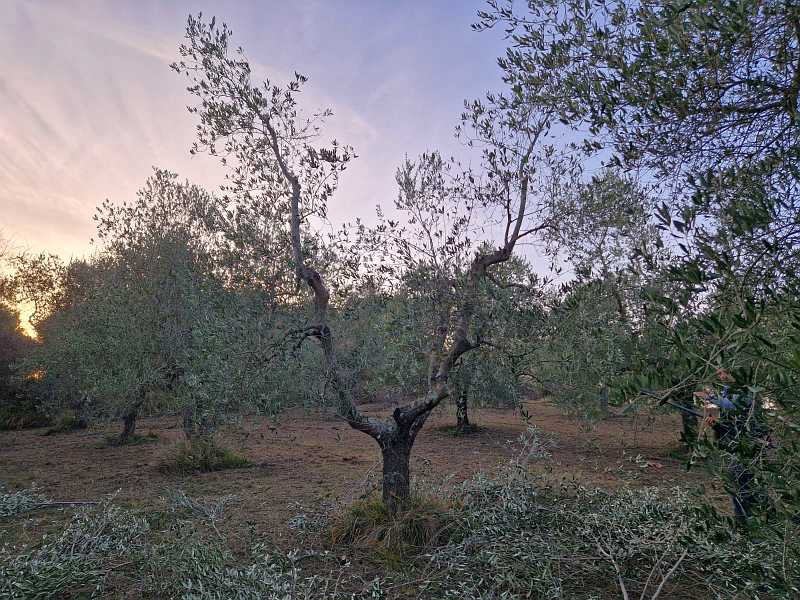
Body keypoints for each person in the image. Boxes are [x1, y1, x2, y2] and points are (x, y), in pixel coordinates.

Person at [696, 368, 770, 522]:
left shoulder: (747, 389)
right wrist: (716, 424)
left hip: (752, 444)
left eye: (725, 372)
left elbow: (735, 406)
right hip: (736, 444)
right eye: (719, 374)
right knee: (739, 483)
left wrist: (711, 397)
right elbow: (731, 422)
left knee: (744, 483)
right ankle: (746, 519)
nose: (722, 377)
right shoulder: (726, 390)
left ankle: (752, 519)